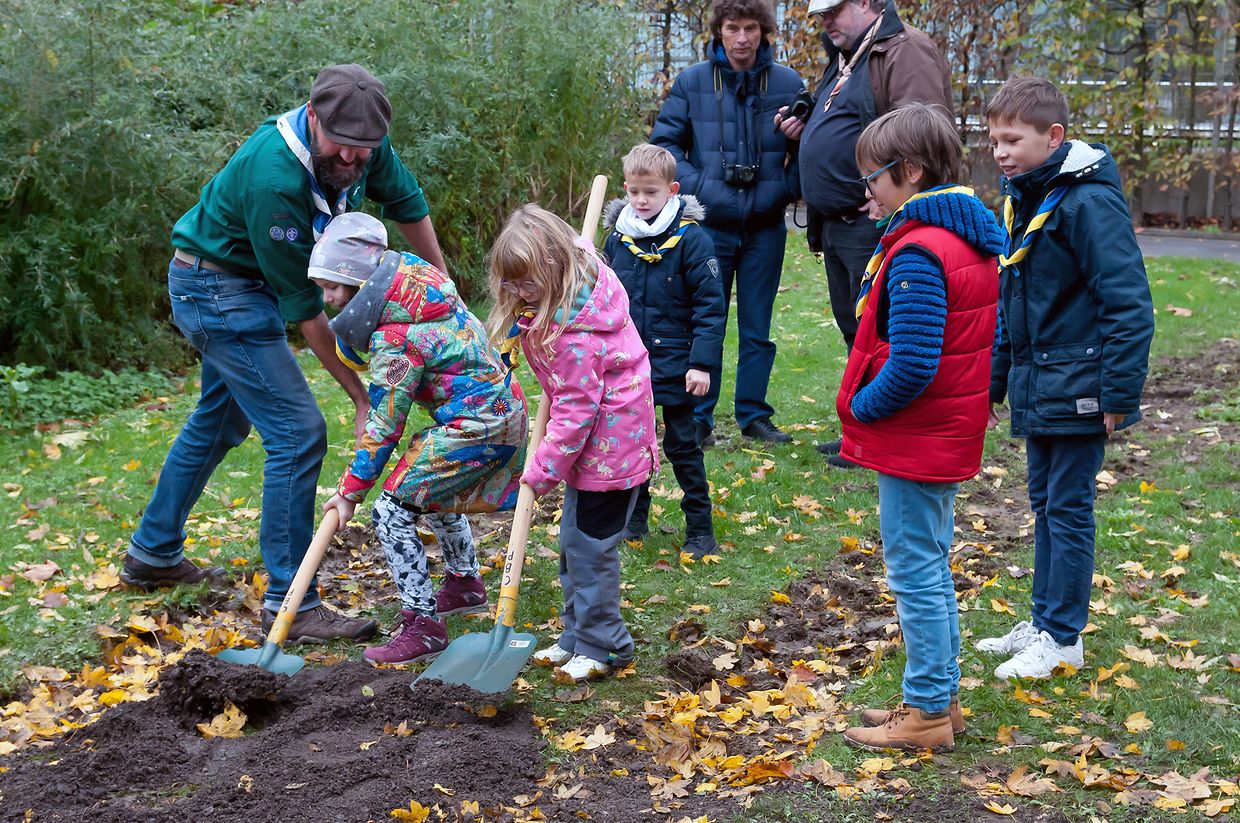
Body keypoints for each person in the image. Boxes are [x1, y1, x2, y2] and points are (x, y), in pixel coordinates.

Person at [124, 64, 448, 643]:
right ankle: (289, 602)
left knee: (219, 423)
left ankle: (152, 552)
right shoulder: (275, 176)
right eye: (342, 148)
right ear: (313, 115)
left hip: (248, 287)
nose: (352, 161)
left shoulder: (364, 137)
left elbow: (408, 205)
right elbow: (305, 310)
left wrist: (442, 293)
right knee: (298, 433)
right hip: (218, 291)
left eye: (364, 152)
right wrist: (360, 396)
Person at [834, 103, 1005, 752]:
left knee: (914, 570)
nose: (866, 190)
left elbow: (911, 366)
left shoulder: (917, 254)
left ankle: (929, 711)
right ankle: (940, 695)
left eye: (872, 177)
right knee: (929, 564)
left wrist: (859, 406)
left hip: (918, 438)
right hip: (944, 433)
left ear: (909, 172)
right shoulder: (966, 234)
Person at [977, 77, 1154, 680]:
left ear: (1053, 137)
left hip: (1081, 385)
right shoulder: (1026, 195)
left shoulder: (1086, 201)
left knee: (1069, 507)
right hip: (1042, 380)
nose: (1000, 152)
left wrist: (1118, 393)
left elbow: (1127, 300)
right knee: (1046, 502)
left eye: (1012, 140)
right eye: (994, 140)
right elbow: (1012, 301)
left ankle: (1063, 637)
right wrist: (996, 383)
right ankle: (1044, 620)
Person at [309, 214, 528, 664]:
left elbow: (386, 422)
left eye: (332, 285)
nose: (327, 298)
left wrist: (350, 493)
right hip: (500, 413)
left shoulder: (396, 337)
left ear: (358, 282)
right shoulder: (426, 291)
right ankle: (465, 584)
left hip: (477, 424)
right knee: (426, 491)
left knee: (391, 511)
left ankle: (422, 627)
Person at [485, 205, 658, 681]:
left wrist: (540, 471)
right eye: (511, 284)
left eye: (528, 284)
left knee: (591, 551)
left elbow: (575, 412)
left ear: (556, 268)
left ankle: (607, 645)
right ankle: (576, 637)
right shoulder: (569, 286)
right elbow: (576, 243)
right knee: (573, 545)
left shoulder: (575, 337)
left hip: (611, 451)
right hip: (596, 448)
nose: (518, 295)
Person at [780, 0, 951, 467]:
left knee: (884, 332)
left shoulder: (903, 50)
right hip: (839, 221)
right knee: (855, 329)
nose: (825, 21)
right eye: (820, 15)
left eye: (833, 10)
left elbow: (922, 132)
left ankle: (880, 435)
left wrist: (883, 196)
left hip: (875, 218)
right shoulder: (849, 55)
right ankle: (861, 431)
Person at [651, 0, 804, 445]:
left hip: (765, 226)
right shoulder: (693, 81)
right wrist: (704, 189)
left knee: (758, 325)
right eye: (733, 28)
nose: (742, 38)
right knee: (705, 321)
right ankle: (699, 417)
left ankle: (754, 415)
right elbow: (666, 148)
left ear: (764, 30)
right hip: (708, 228)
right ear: (719, 31)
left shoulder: (789, 83)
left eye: (751, 28)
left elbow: (810, 146)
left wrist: (782, 187)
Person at [602, 144, 725, 558]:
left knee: (682, 447)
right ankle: (634, 522)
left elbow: (711, 307)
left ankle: (700, 528)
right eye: (634, 191)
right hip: (628, 363)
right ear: (625, 188)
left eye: (650, 192)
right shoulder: (618, 238)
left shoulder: (692, 240)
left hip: (676, 363)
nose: (641, 200)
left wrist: (702, 364)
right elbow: (603, 296)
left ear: (671, 190)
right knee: (632, 443)